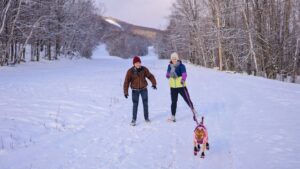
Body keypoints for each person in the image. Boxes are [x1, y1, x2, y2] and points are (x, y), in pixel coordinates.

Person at [123, 56, 157, 126]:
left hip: (144, 89)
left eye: (139, 63)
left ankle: (146, 118)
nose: (138, 64)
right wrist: (126, 92)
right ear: (134, 64)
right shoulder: (130, 71)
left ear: (140, 63)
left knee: (145, 104)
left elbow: (150, 76)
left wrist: (154, 84)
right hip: (135, 90)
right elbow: (126, 82)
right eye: (136, 63)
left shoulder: (144, 69)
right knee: (135, 105)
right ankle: (134, 120)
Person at [166, 52, 195, 122]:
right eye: (173, 59)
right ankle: (173, 116)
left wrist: (182, 80)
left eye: (175, 58)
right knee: (173, 102)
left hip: (181, 86)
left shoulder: (181, 66)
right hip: (173, 87)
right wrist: (169, 75)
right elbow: (167, 75)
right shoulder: (169, 66)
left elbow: (184, 74)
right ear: (171, 59)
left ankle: (193, 110)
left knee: (187, 99)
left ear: (177, 58)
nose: (174, 60)